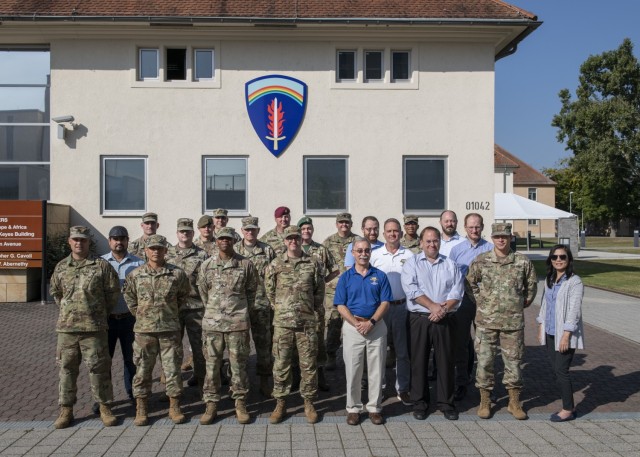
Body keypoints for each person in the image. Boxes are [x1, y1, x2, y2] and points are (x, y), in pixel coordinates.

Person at [49, 226, 120, 429]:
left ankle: (105, 407)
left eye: (83, 240)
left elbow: (112, 293)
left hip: (94, 328)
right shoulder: (61, 267)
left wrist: (97, 312)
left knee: (99, 369)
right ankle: (66, 410)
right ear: (69, 242)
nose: (79, 243)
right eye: (75, 240)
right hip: (67, 330)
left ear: (89, 242)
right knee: (67, 370)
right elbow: (56, 293)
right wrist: (69, 311)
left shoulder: (101, 266)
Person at [466, 222, 537, 420]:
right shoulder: (481, 261)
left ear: (510, 238)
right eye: (497, 236)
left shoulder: (522, 262)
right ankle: (485, 401)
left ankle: (514, 402)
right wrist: (480, 301)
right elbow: (470, 283)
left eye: (504, 236)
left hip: (512, 324)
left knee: (514, 363)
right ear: (492, 238)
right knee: (485, 362)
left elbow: (531, 287)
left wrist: (520, 303)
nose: (501, 240)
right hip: (486, 322)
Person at [123, 235, 191, 426]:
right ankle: (142, 408)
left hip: (169, 330)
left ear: (165, 251)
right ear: (146, 251)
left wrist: (169, 313)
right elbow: (129, 298)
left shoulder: (177, 274)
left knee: (172, 370)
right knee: (143, 370)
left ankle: (175, 406)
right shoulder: (136, 274)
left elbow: (183, 295)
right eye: (152, 248)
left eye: (159, 248)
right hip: (145, 331)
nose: (155, 251)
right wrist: (142, 314)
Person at [401, 227, 463, 421]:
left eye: (435, 241)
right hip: (419, 319)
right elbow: (411, 290)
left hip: (445, 318)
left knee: (445, 361)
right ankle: (420, 402)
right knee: (418, 361)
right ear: (421, 243)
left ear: (439, 242)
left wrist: (441, 309)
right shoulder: (411, 264)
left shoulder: (450, 264)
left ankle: (446, 403)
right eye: (427, 241)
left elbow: (457, 291)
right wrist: (433, 307)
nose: (431, 244)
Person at [198, 227, 258, 424]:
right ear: (216, 241)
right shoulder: (206, 265)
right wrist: (215, 312)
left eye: (229, 239)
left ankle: (240, 403)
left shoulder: (245, 264)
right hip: (213, 325)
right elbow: (203, 293)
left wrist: (238, 312)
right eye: (221, 238)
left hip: (237, 324)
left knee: (238, 366)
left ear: (234, 241)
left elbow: (252, 292)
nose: (225, 241)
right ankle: (211, 404)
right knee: (212, 366)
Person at [265, 226, 325, 424]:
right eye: (289, 238)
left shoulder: (313, 263)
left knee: (308, 365)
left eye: (296, 238)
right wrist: (282, 309)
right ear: (284, 241)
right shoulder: (275, 264)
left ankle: (309, 402)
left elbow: (319, 291)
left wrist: (310, 311)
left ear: (301, 240)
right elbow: (269, 291)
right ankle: (280, 402)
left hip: (306, 324)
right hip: (283, 325)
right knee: (281, 365)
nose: (293, 241)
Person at [334, 236, 392, 425]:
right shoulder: (346, 277)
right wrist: (356, 323)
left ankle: (375, 408)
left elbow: (385, 302)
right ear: (353, 253)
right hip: (353, 327)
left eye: (366, 250)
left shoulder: (380, 275)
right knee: (353, 369)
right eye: (359, 251)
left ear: (370, 252)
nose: (363, 254)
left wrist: (372, 322)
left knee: (376, 370)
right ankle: (353, 408)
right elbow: (340, 305)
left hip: (376, 326)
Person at [95, 226, 144, 414]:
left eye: (122, 238)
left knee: (131, 360)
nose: (118, 242)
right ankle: (105, 400)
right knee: (104, 361)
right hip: (106, 320)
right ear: (109, 241)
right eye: (115, 239)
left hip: (129, 320)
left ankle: (133, 395)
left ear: (127, 240)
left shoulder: (139, 263)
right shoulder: (99, 263)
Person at [447, 213, 493, 401]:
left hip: (485, 302)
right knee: (461, 343)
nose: (474, 230)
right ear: (465, 228)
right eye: (471, 227)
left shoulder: (491, 249)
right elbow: (450, 278)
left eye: (478, 227)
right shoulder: (456, 251)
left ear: (482, 227)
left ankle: (485, 385)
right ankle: (461, 382)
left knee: (485, 344)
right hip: (464, 300)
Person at [537, 245, 584, 422]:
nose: (558, 260)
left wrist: (566, 334)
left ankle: (568, 409)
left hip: (563, 334)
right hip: (550, 331)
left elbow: (574, 310)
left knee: (561, 370)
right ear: (550, 259)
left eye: (562, 257)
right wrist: (541, 324)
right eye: (555, 257)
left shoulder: (574, 281)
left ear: (569, 260)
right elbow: (544, 304)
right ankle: (567, 405)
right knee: (557, 370)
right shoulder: (550, 279)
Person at [370, 218, 414, 406]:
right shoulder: (375, 255)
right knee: (378, 351)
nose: (392, 234)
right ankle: (378, 389)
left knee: (402, 352)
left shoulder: (410, 254)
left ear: (401, 233)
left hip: (401, 308)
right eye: (389, 231)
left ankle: (402, 388)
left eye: (395, 231)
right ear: (384, 234)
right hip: (381, 309)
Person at [234, 215, 277, 397]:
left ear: (258, 230)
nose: (250, 232)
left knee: (264, 345)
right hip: (238, 306)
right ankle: (238, 383)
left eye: (253, 229)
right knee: (238, 347)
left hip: (261, 305)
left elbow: (275, 276)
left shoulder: (267, 250)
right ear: (242, 231)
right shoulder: (234, 250)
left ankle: (265, 380)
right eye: (247, 229)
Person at [166, 218, 209, 391]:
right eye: (182, 231)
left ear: (193, 233)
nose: (185, 234)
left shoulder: (202, 255)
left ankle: (201, 385)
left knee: (199, 350)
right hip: (173, 309)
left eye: (188, 231)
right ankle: (172, 389)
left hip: (196, 309)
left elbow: (207, 282)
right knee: (172, 351)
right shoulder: (167, 254)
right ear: (177, 233)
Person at [298, 216, 339, 391]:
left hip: (316, 305)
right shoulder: (293, 248)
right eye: (303, 229)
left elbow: (335, 269)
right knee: (298, 340)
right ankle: (297, 376)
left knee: (317, 340)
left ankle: (319, 374)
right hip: (297, 305)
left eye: (309, 228)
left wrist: (322, 282)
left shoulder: (321, 250)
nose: (306, 231)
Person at [321, 212, 357, 371]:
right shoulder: (328, 242)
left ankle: (354, 357)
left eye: (347, 222)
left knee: (353, 323)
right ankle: (331, 356)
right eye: (341, 222)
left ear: (351, 224)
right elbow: (321, 267)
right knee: (333, 324)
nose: (344, 225)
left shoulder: (358, 241)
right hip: (333, 292)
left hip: (353, 291)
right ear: (336, 224)